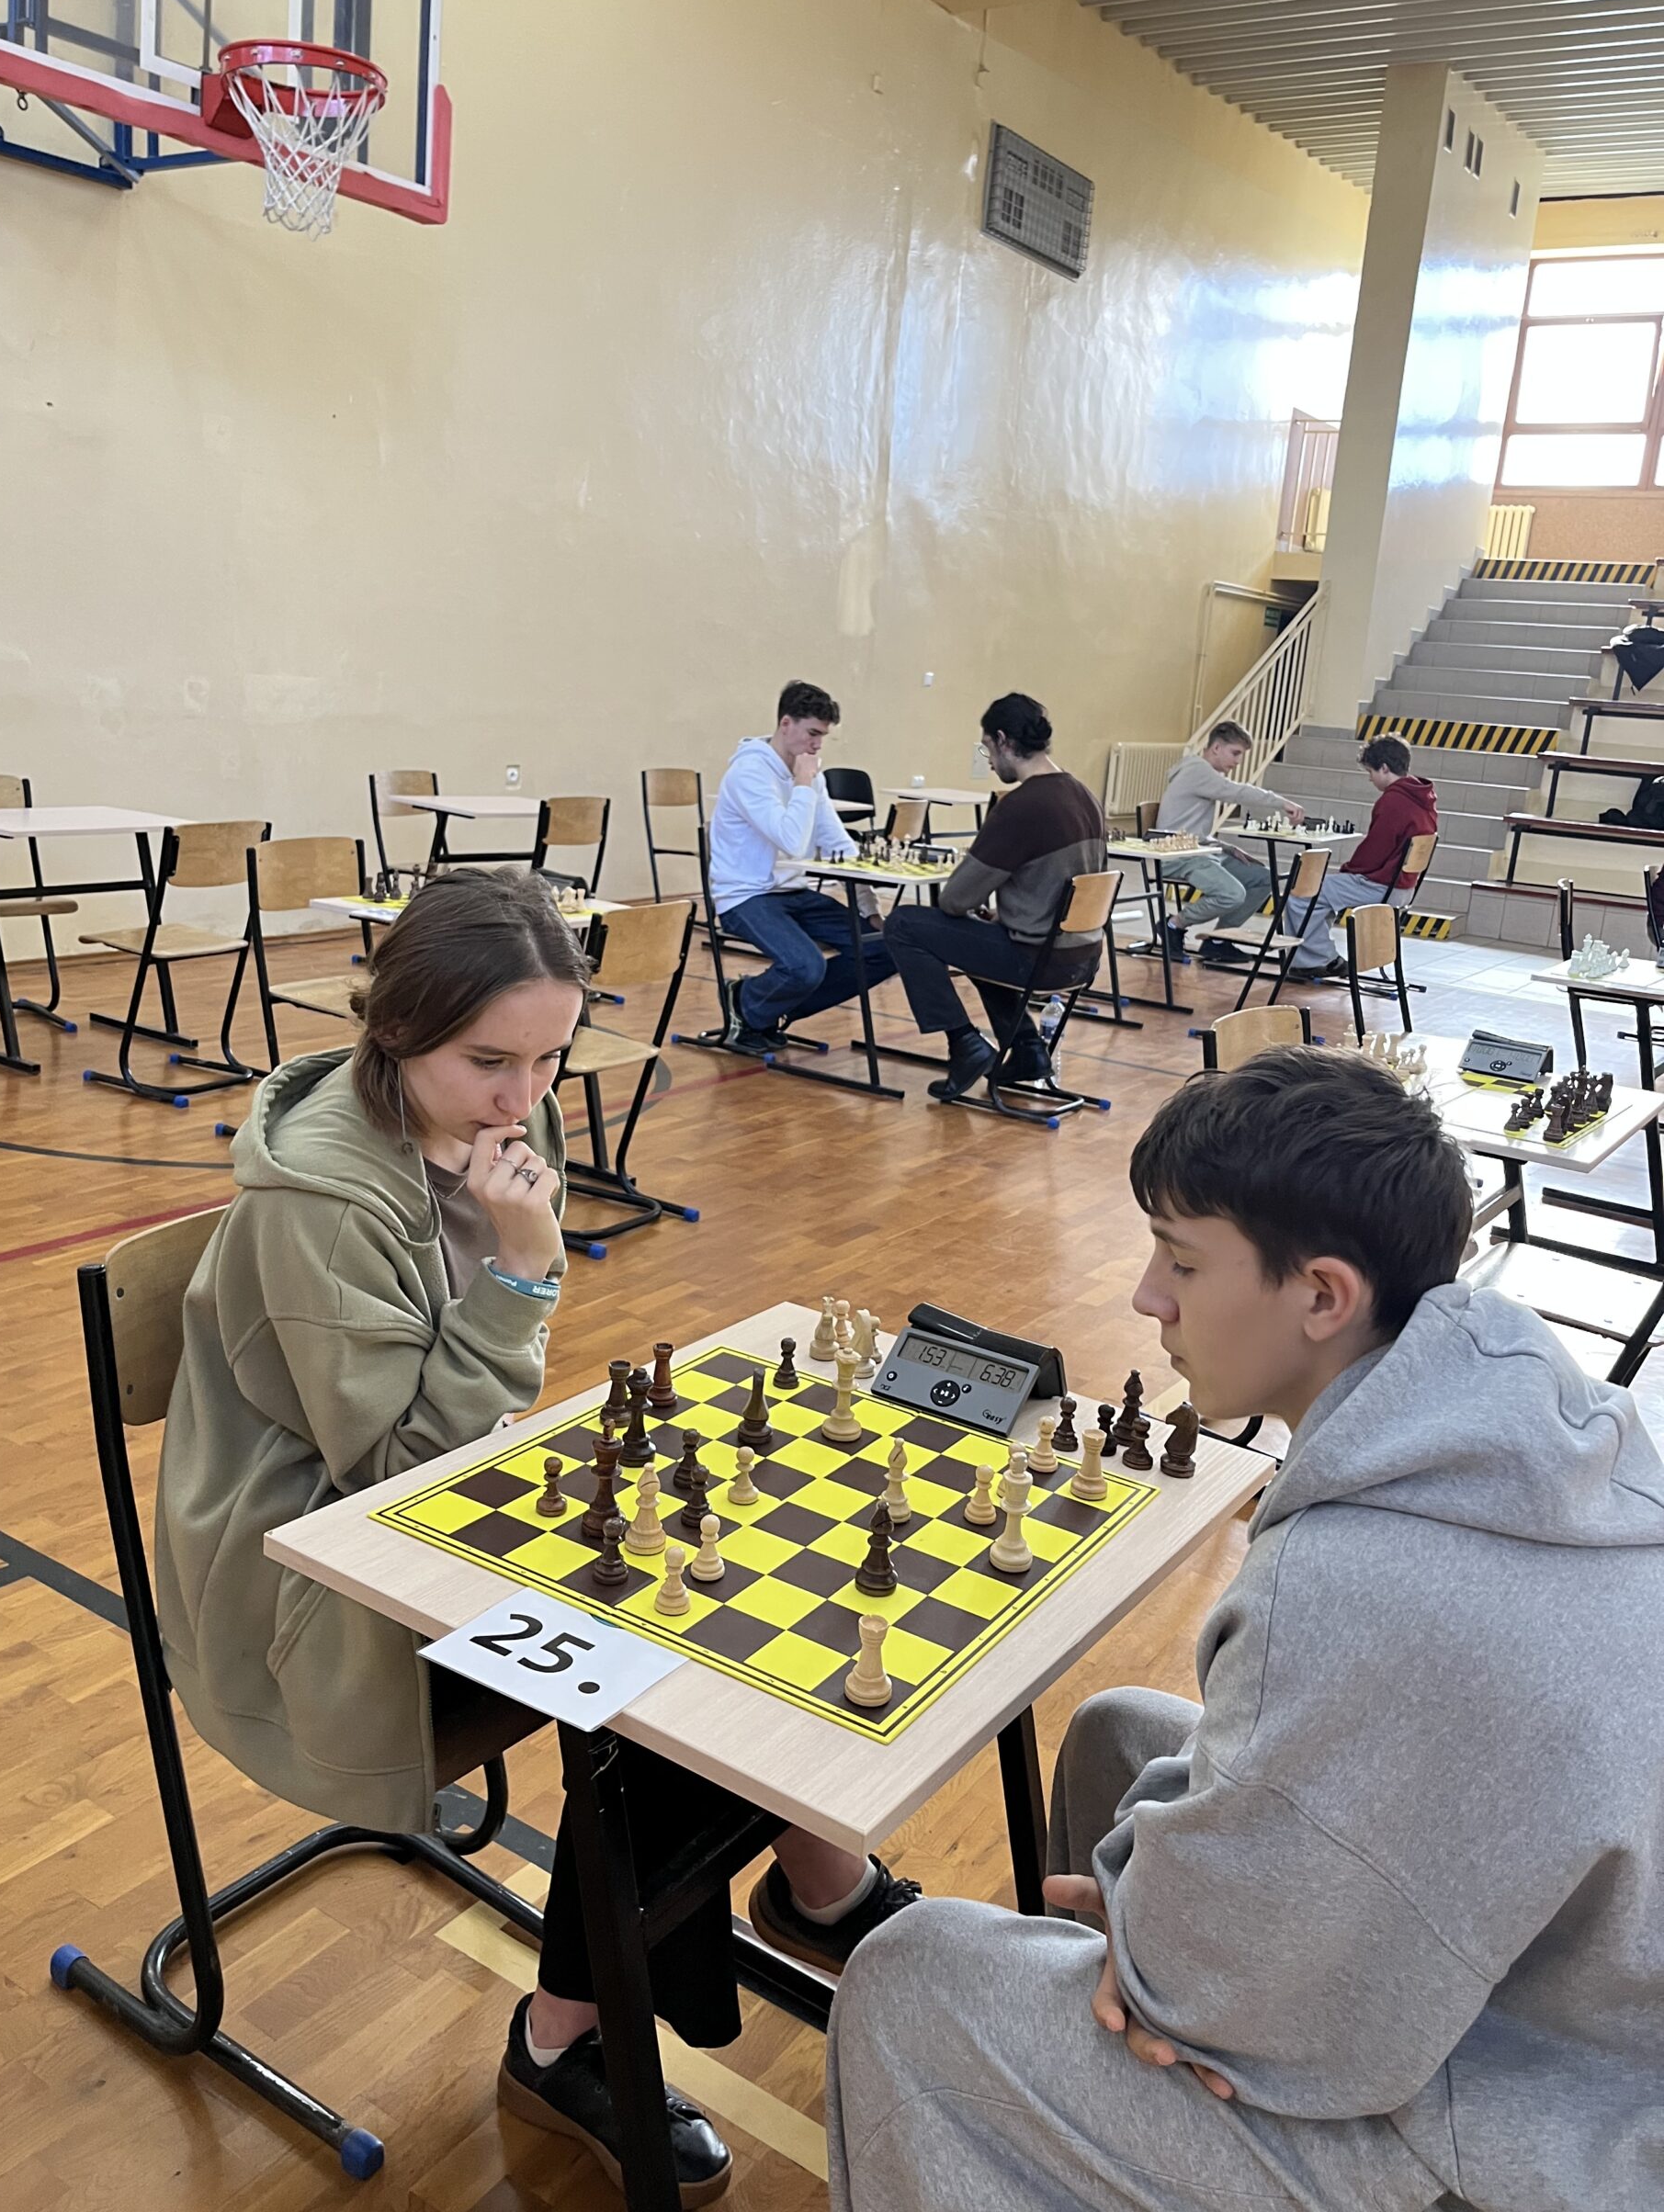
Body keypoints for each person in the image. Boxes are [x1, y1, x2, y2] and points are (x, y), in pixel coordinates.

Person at [153, 868, 919, 2207]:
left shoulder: (497, 1117)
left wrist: (513, 1269)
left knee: (728, 1617)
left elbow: (460, 1424)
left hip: (439, 1506)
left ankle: (813, 1876)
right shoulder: (320, 1201)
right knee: (665, 1688)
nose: (525, 1099)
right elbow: (392, 1470)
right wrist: (519, 1270)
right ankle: (569, 2035)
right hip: (306, 1573)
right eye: (489, 1062)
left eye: (552, 1056)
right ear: (395, 1031)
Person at [827, 1044, 1664, 2212]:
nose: (1147, 1298)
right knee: (1117, 1730)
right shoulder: (1518, 1407)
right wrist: (1146, 1927)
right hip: (1570, 1996)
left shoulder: (1348, 1575)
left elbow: (1215, 1999)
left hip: (1546, 2131)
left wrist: (1158, 1972)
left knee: (911, 1976)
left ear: (1323, 1295)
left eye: (1180, 1261)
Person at [885, 694, 1106, 1096]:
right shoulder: (1083, 795)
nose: (988, 760)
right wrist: (1007, 915)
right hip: (1084, 956)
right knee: (976, 933)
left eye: (987, 747)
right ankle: (1027, 1050)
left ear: (1003, 740)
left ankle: (964, 1043)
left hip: (1039, 960)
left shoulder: (1022, 805)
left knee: (904, 924)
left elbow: (955, 899)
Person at [710, 679, 894, 1055]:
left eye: (822, 736)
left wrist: (870, 910)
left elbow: (838, 843)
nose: (817, 745)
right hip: (745, 896)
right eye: (812, 733)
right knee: (805, 966)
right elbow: (791, 841)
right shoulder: (749, 773)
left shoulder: (810, 777)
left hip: (794, 893)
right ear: (785, 724)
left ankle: (769, 1010)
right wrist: (804, 782)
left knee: (885, 949)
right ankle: (747, 1001)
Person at [1149, 721, 1307, 968]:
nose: (1238, 761)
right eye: (1235, 753)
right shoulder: (1197, 770)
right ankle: (1174, 924)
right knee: (1232, 894)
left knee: (1264, 878)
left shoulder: (1203, 773)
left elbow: (1193, 830)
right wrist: (1281, 802)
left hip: (1200, 851)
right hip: (1178, 857)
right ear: (1216, 748)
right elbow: (1237, 792)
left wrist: (1225, 847)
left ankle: (1219, 940)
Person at [1285, 735, 1438, 979]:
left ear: (1384, 768)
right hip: (1404, 886)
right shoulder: (1422, 797)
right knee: (1323, 892)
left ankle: (1318, 960)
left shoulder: (1393, 800)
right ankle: (1315, 957)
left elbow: (1375, 851)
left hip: (1381, 886)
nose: (1369, 778)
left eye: (1370, 771)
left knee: (1303, 892)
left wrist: (1349, 869)